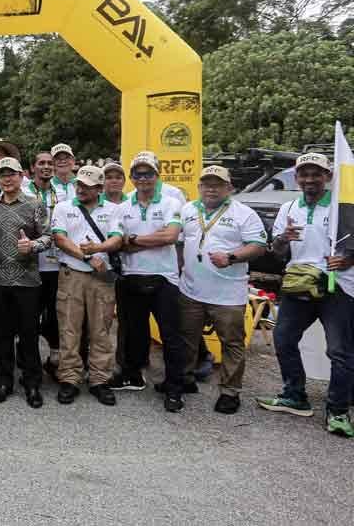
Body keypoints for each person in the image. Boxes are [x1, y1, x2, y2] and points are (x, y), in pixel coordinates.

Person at [258, 153, 354, 436]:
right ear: (297, 178)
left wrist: (348, 259)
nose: (310, 179)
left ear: (328, 177)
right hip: (298, 284)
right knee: (284, 340)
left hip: (336, 287)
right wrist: (283, 239)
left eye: (316, 174)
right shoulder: (289, 207)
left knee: (339, 351)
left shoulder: (343, 207)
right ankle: (295, 395)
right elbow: (277, 253)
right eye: (304, 174)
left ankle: (337, 410)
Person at [99, 151, 187, 412]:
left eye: (148, 173)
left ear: (157, 175)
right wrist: (149, 238)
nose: (143, 178)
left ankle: (174, 388)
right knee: (134, 332)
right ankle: (132, 375)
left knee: (171, 337)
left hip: (165, 278)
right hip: (131, 276)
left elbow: (170, 236)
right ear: (132, 178)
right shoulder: (123, 206)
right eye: (138, 173)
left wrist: (135, 240)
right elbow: (118, 243)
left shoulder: (171, 202)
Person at [178, 166, 267, 414]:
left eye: (217, 184)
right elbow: (179, 244)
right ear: (199, 187)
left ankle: (230, 391)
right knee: (187, 339)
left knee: (232, 343)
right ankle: (185, 379)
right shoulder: (187, 209)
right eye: (206, 184)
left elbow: (259, 245)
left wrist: (232, 256)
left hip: (227, 294)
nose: (211, 188)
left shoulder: (244, 214)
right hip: (191, 289)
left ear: (229, 188)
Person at [0, 157, 52, 407]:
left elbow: (49, 237)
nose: (7, 178)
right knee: (1, 335)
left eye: (12, 174)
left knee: (29, 335)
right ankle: (3, 382)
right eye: (2, 174)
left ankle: (32, 383)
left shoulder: (35, 204)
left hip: (28, 281)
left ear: (21, 176)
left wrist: (33, 245)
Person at [51, 165, 121, 406]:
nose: (81, 189)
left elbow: (117, 239)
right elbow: (59, 238)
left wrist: (99, 250)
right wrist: (88, 257)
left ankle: (100, 379)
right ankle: (69, 378)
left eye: (88, 187)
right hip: (72, 274)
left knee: (101, 329)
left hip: (102, 278)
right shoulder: (63, 207)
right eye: (79, 184)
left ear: (99, 189)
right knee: (69, 329)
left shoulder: (114, 209)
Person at [25, 151, 66, 379]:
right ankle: (28, 363)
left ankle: (54, 358)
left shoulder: (62, 193)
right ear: (33, 167)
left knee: (56, 315)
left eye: (50, 163)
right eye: (41, 163)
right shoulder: (23, 192)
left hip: (57, 265)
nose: (46, 167)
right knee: (29, 316)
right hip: (31, 265)